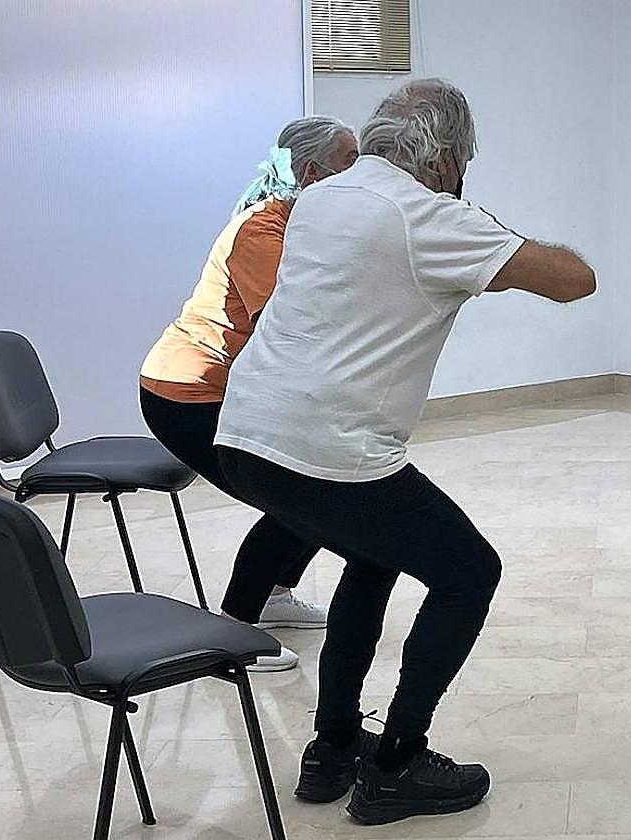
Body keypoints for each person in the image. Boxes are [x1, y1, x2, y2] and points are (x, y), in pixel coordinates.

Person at [213, 78, 596, 825]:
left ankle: (332, 749)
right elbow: (575, 281)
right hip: (329, 449)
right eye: (464, 163)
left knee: (374, 555)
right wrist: (481, 224)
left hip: (249, 435)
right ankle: (395, 765)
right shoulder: (431, 216)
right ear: (447, 159)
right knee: (469, 572)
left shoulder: (322, 197)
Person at [139, 117, 359, 672]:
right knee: (299, 494)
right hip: (186, 394)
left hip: (222, 388)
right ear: (312, 172)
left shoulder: (299, 223)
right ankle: (236, 629)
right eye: (350, 164)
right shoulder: (263, 230)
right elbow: (282, 328)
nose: (361, 176)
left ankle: (274, 596)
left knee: (314, 483)